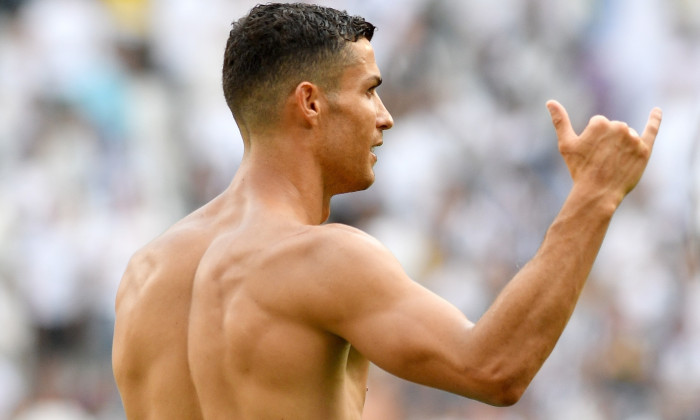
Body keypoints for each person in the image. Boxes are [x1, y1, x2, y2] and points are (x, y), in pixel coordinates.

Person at [111, 3, 662, 419]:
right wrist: (595, 197)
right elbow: (495, 368)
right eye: (370, 92)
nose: (385, 117)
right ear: (310, 103)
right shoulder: (323, 259)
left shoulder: (145, 273)